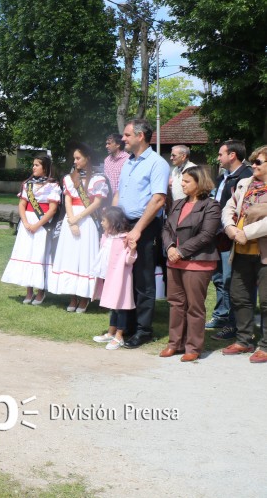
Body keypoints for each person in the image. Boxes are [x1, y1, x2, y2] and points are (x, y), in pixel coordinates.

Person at [113, 119, 170, 348]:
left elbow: (158, 200)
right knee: (124, 277)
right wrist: (114, 220)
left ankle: (144, 330)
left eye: (127, 135)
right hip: (124, 224)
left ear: (140, 136)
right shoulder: (129, 162)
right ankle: (126, 325)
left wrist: (137, 229)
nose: (123, 139)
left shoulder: (157, 163)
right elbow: (120, 192)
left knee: (144, 279)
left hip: (145, 227)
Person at [160, 166, 220, 362]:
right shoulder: (177, 204)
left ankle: (193, 346)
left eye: (187, 181)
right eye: (182, 180)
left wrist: (181, 251)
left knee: (194, 306)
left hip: (197, 262)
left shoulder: (211, 205)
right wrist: (170, 247)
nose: (182, 184)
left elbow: (207, 235)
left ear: (199, 183)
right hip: (174, 261)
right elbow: (167, 228)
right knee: (176, 304)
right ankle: (174, 343)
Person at [219, 145, 267, 363]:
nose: (253, 165)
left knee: (266, 301)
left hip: (262, 252)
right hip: (241, 249)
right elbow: (229, 208)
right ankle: (244, 340)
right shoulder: (244, 183)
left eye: (258, 162)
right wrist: (230, 228)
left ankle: (265, 345)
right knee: (239, 296)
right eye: (253, 161)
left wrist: (245, 233)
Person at [48, 143, 109, 312]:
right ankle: (72, 296)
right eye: (74, 158)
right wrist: (71, 220)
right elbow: (67, 199)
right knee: (70, 256)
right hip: (71, 219)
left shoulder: (98, 178)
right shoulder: (69, 178)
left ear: (87, 158)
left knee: (84, 257)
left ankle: (84, 297)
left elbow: (97, 203)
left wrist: (78, 218)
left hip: (87, 220)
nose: (75, 161)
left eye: (78, 158)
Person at [0, 154, 61, 305]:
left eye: (37, 165)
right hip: (27, 224)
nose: (33, 167)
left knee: (39, 256)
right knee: (27, 254)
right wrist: (26, 223)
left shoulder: (53, 185)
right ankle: (28, 291)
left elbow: (52, 209)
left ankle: (41, 291)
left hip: (42, 224)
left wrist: (36, 225)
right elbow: (22, 204)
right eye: (33, 165)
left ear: (45, 167)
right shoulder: (28, 184)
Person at [207, 140, 252, 339]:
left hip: (234, 236)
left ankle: (234, 325)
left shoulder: (247, 176)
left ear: (232, 155)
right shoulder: (222, 177)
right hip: (218, 235)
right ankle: (222, 315)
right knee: (218, 278)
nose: (218, 158)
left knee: (231, 280)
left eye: (220, 154)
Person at [91, 206, 136, 350]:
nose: (102, 223)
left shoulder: (125, 239)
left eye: (104, 220)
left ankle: (119, 336)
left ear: (113, 221)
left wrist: (133, 249)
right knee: (113, 305)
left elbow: (129, 260)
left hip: (121, 279)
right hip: (108, 276)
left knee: (120, 307)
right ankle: (111, 332)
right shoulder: (106, 236)